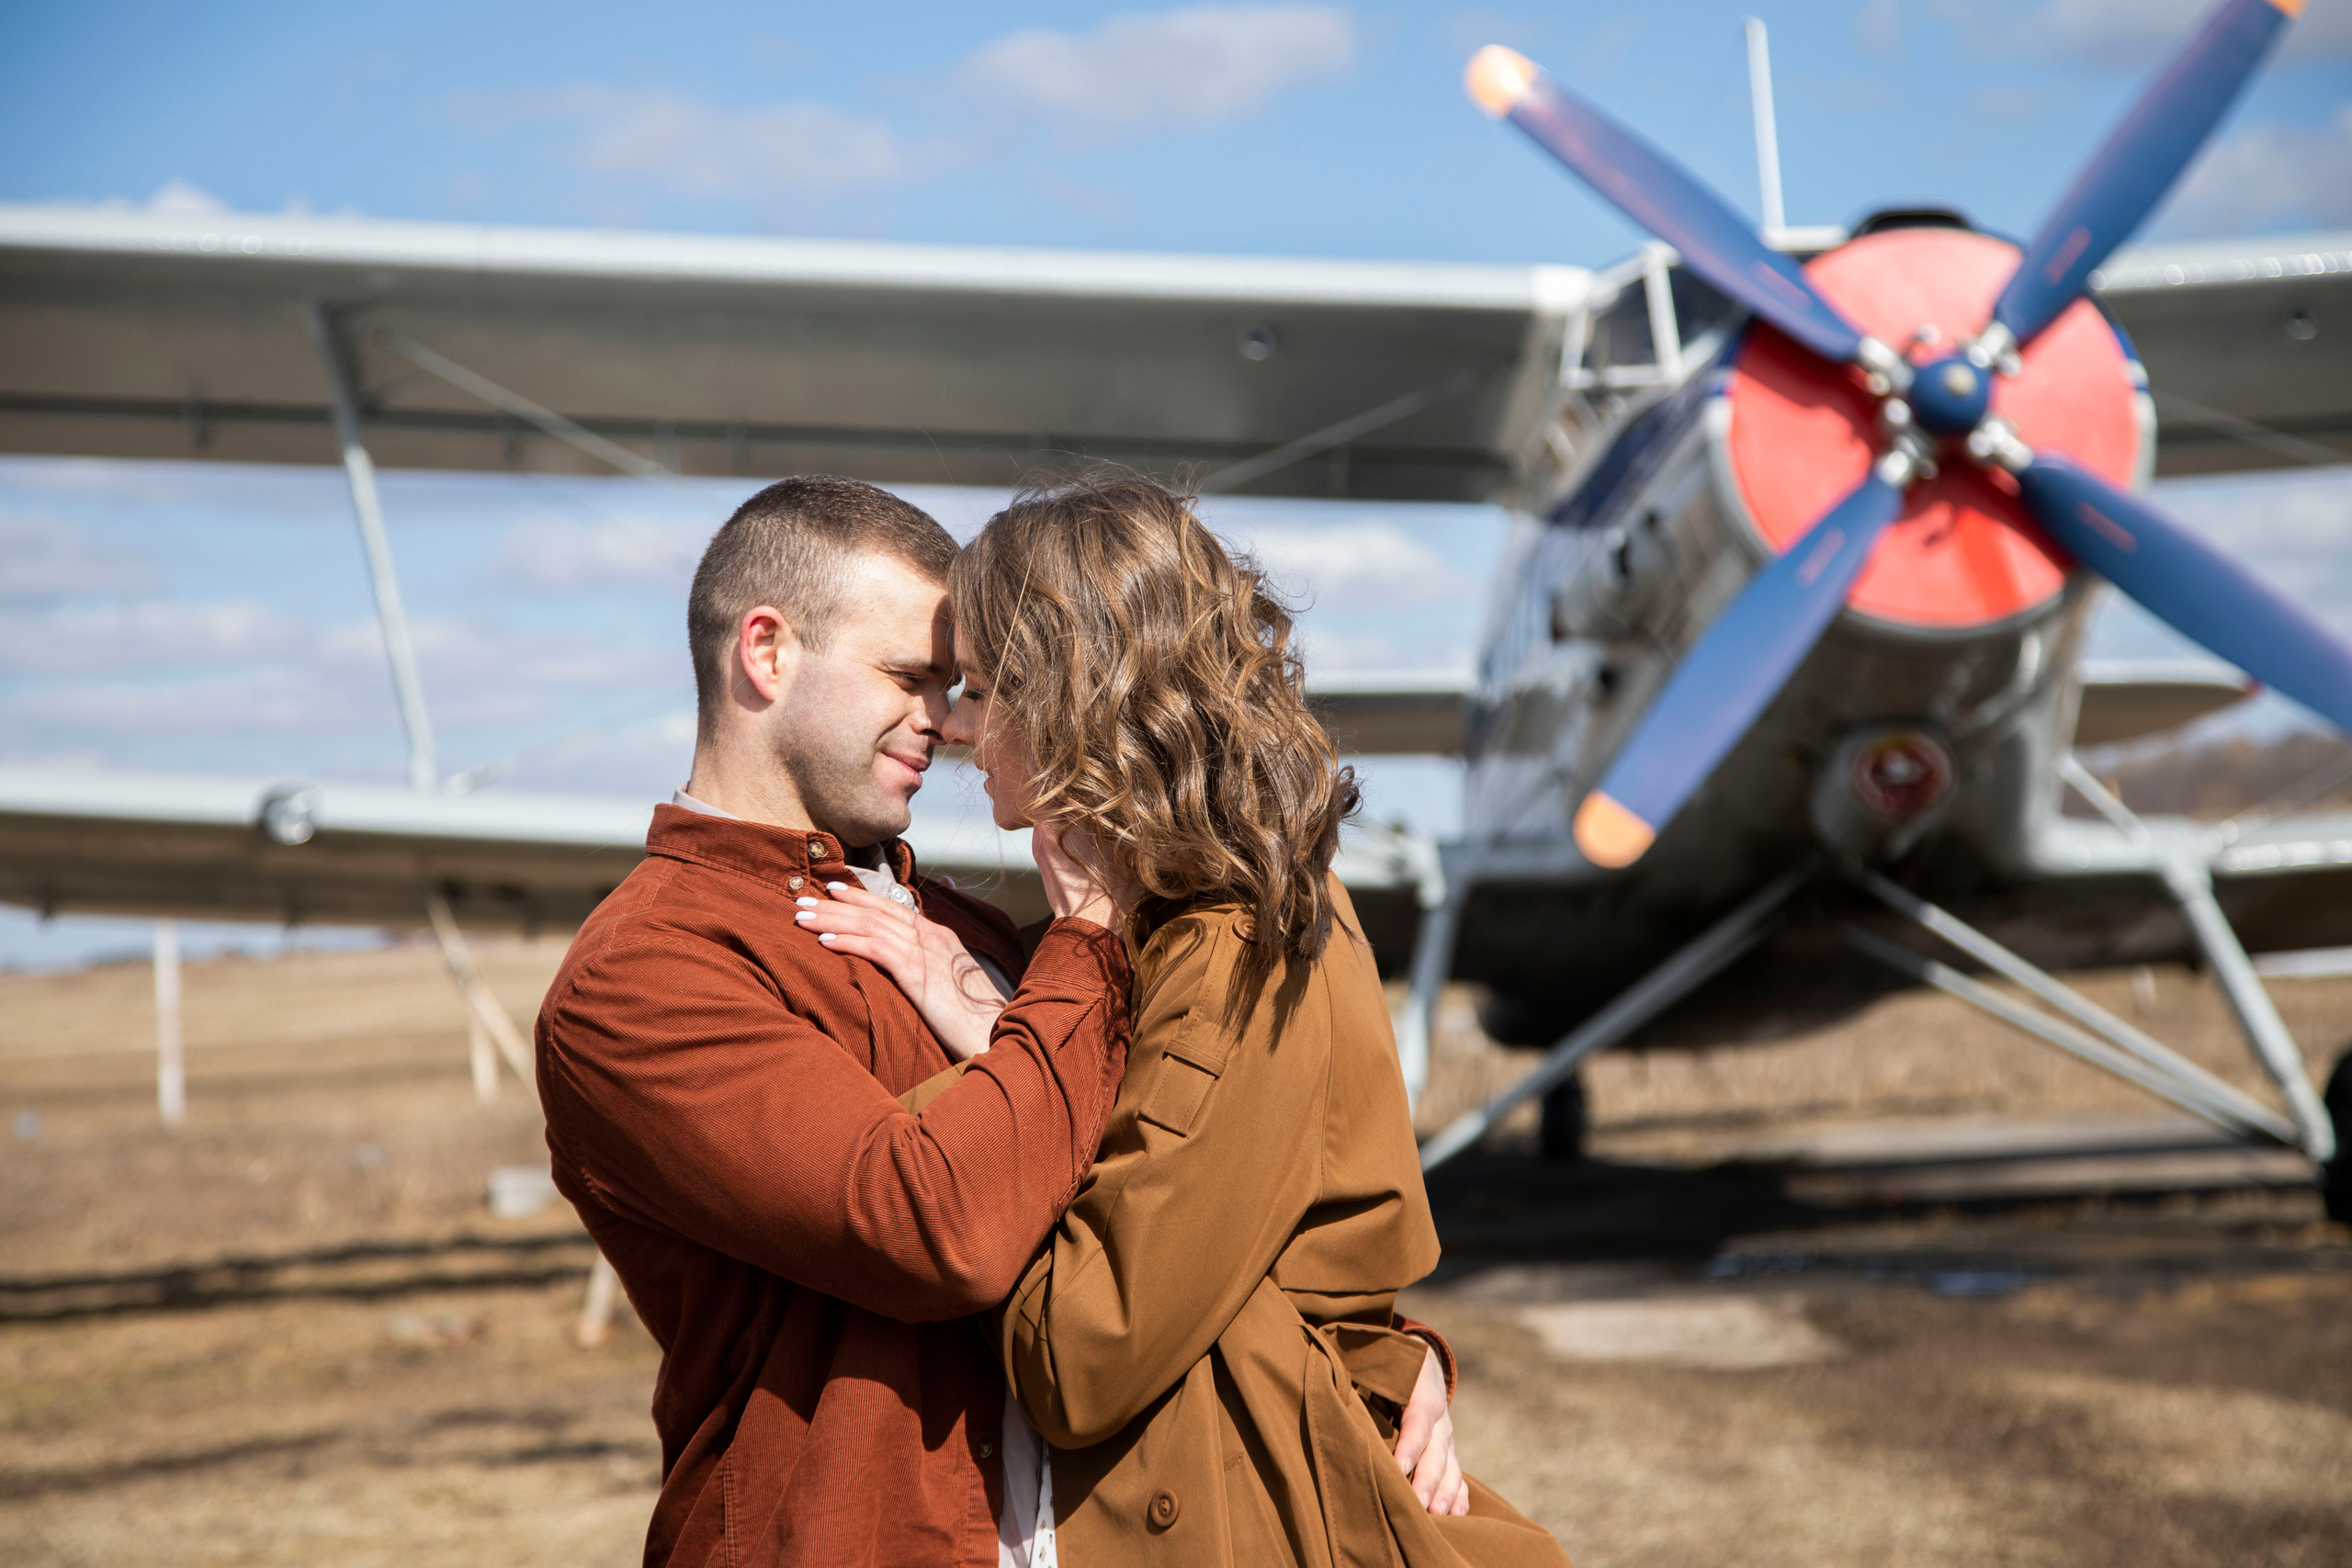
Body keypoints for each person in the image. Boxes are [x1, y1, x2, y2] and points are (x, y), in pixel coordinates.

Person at [535, 474, 1462, 1568]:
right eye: (912, 678)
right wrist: (1077, 952)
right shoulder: (643, 974)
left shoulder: (978, 928)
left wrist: (1375, 1357)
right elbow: (938, 1228)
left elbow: (1177, 1191)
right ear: (767, 652)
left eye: (964, 685)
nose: (948, 723)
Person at [795, 472, 1569, 1566]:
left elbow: (1081, 1352)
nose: (955, 728)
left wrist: (995, 1055)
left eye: (977, 689)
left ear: (1067, 696)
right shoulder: (1200, 921)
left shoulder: (1234, 942)